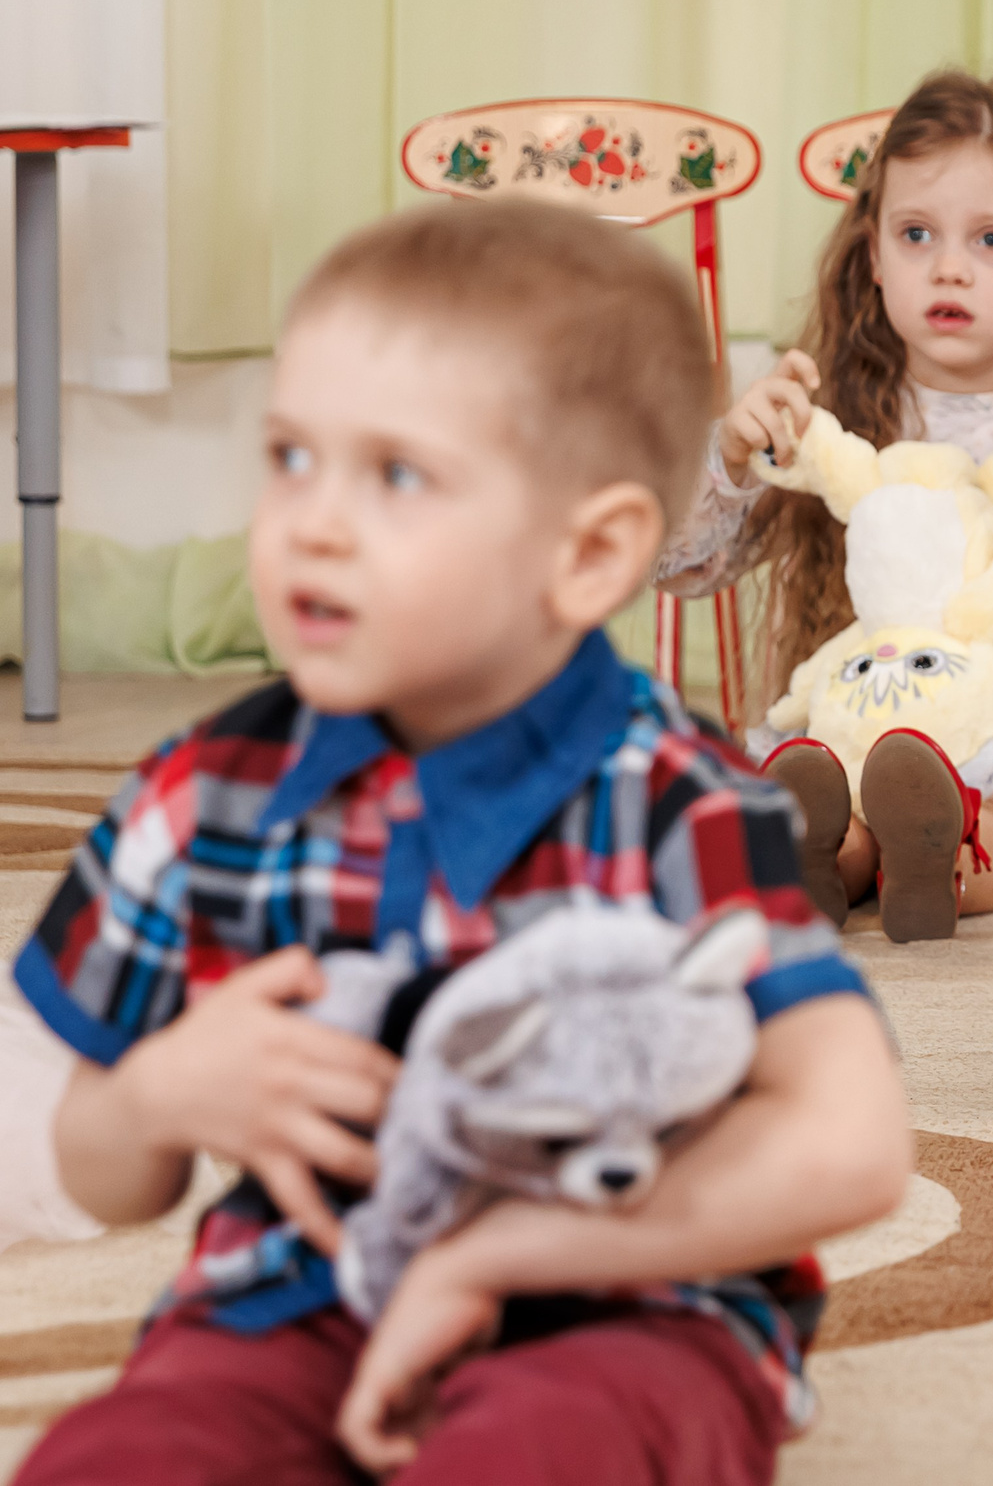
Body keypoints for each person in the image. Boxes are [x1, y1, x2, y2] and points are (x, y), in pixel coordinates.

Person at [10, 201, 910, 1484]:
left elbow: (849, 1139)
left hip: (629, 1310)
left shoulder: (680, 796)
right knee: (118, 1459)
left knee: (549, 1451)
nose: (311, 522)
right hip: (290, 1303)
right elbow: (92, 1166)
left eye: (395, 475)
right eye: (290, 457)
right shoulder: (202, 794)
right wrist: (156, 1095)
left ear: (588, 555)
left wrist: (496, 1256)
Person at [662, 63, 993, 940]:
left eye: (992, 240)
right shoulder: (830, 415)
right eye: (915, 234)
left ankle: (932, 857)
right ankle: (839, 852)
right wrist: (731, 453)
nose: (949, 267)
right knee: (792, 771)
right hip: (868, 706)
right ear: (871, 252)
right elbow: (679, 565)